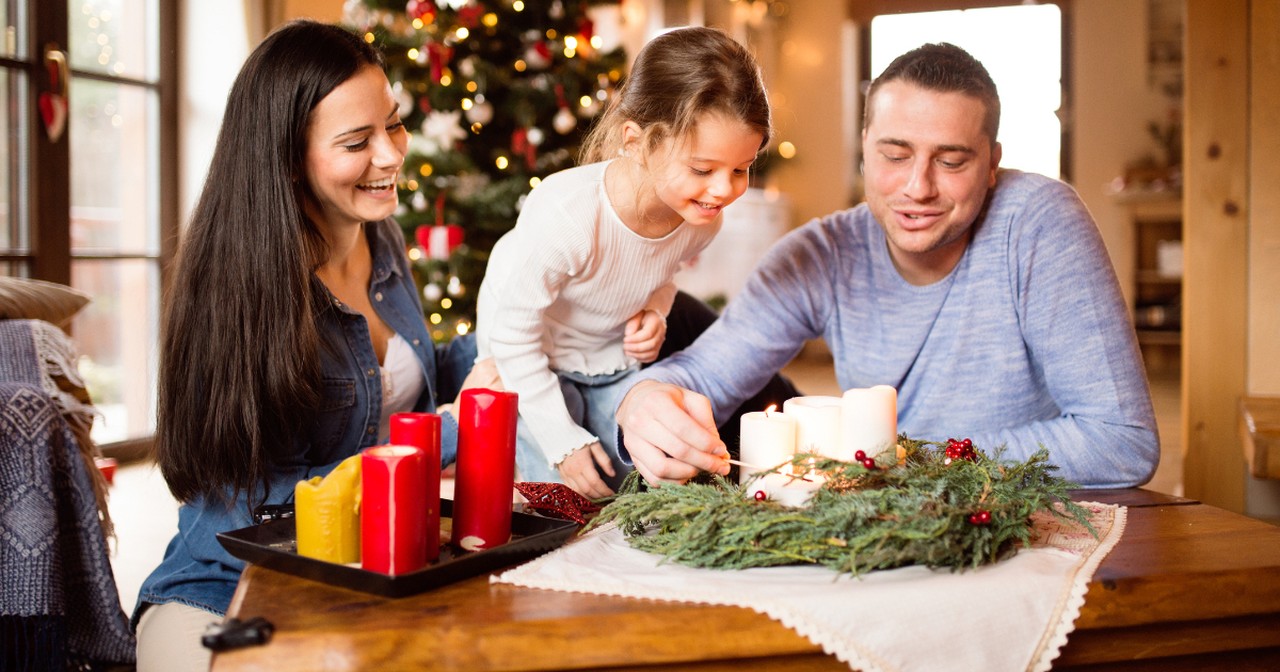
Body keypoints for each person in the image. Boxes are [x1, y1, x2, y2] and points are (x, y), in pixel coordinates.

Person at [614, 42, 1160, 490]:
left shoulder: (1039, 223)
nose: (918, 188)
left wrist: (898, 460)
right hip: (879, 517)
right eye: (896, 156)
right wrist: (642, 401)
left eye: (951, 161)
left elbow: (1122, 441)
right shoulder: (823, 254)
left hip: (1007, 519)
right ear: (865, 148)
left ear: (992, 164)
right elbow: (702, 374)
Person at [133, 20, 496, 670]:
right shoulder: (239, 286)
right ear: (288, 158)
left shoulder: (377, 237)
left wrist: (508, 340)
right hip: (224, 601)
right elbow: (254, 510)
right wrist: (442, 436)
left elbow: (405, 381)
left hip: (360, 581)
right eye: (357, 141)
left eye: (394, 123)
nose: (390, 155)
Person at [475, 26, 773, 499]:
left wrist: (655, 310)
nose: (723, 190)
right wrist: (560, 441)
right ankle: (459, 423)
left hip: (607, 358)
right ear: (635, 141)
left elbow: (661, 273)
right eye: (702, 169)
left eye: (740, 169)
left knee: (638, 482)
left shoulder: (701, 219)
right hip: (524, 354)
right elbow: (513, 335)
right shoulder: (567, 215)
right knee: (564, 496)